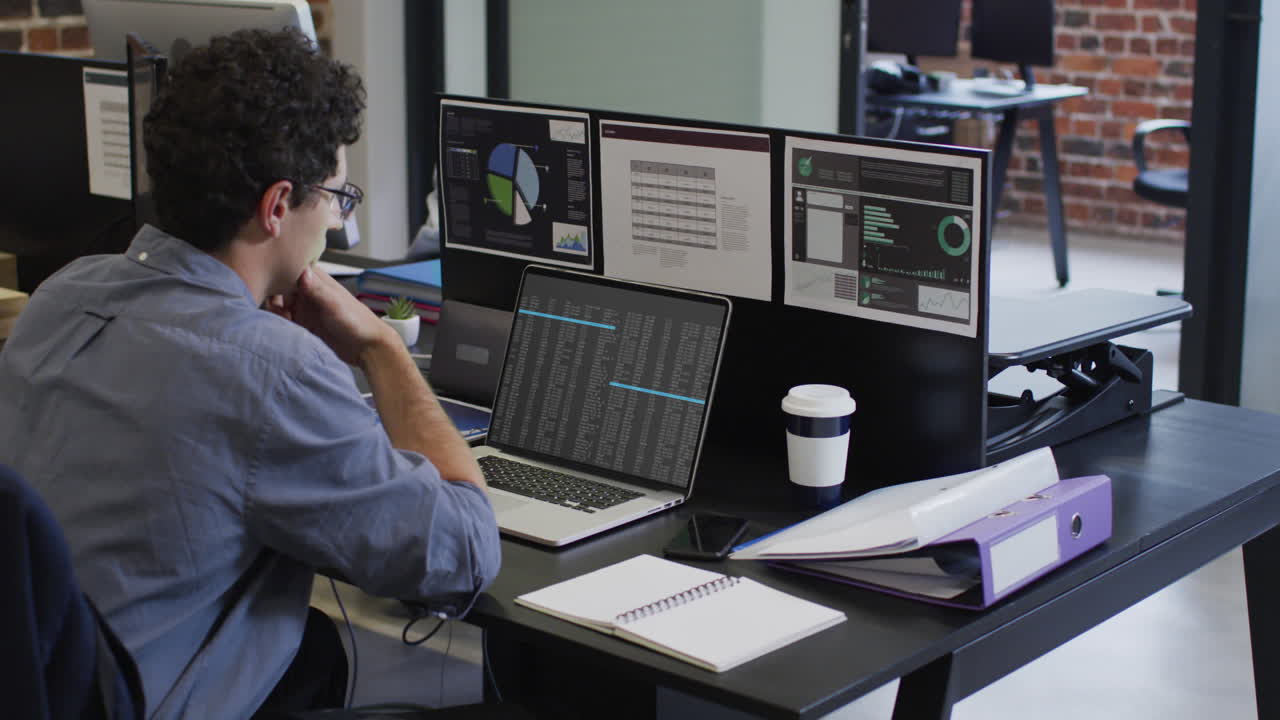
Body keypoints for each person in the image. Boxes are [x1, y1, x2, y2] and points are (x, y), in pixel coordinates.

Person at [0, 28, 500, 719]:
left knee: (314, 647)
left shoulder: (61, 296)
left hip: (60, 678)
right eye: (335, 197)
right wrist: (381, 348)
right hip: (146, 699)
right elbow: (465, 553)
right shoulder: (271, 369)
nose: (336, 224)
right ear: (275, 207)